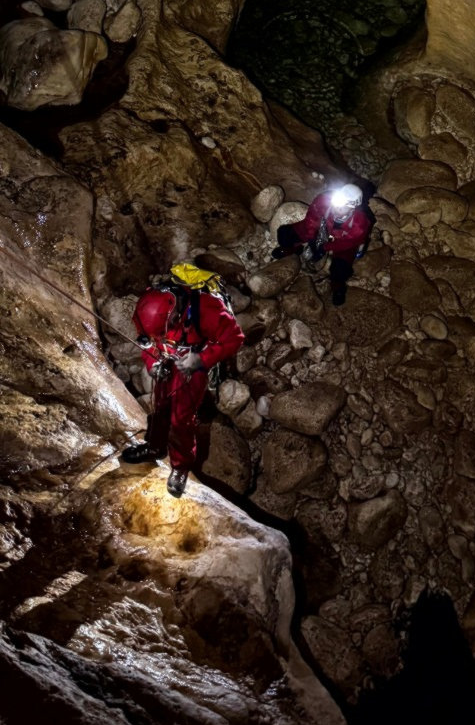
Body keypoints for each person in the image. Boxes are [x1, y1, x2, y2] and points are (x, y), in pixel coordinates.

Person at [120, 262, 244, 497]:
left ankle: (180, 466)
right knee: (159, 406)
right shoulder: (148, 304)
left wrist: (201, 359)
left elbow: (234, 338)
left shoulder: (206, 308)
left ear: (174, 313)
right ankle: (154, 447)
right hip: (165, 356)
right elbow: (147, 341)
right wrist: (152, 363)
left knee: (181, 420)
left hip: (192, 363)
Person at [272, 183, 373, 306]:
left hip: (342, 239)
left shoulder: (359, 223)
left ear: (353, 208)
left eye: (343, 207)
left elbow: (347, 243)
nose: (337, 209)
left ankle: (338, 287)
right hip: (323, 227)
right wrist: (311, 237)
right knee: (285, 234)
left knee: (340, 269)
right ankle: (291, 249)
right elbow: (311, 218)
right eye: (337, 204)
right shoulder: (324, 201)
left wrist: (325, 247)